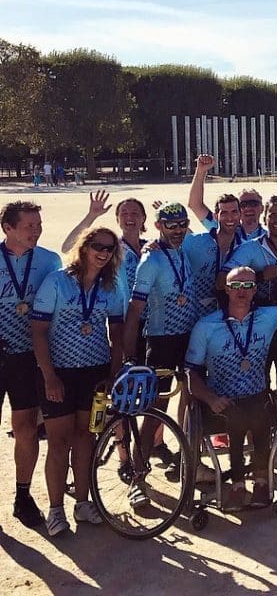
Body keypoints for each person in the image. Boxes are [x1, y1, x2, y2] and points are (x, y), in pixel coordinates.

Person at [31, 227, 125, 535]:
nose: (103, 252)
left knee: (86, 439)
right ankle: (56, 510)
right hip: (60, 373)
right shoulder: (57, 281)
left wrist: (113, 372)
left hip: (95, 374)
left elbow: (118, 332)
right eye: (97, 246)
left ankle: (83, 504)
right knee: (58, 442)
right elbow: (38, 332)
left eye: (109, 249)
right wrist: (49, 376)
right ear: (84, 247)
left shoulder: (110, 285)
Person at [184, 267, 277, 510]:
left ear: (255, 290)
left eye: (248, 286)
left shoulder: (268, 316)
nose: (242, 291)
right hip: (221, 399)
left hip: (257, 395)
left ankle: (260, 481)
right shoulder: (206, 326)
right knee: (237, 415)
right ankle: (237, 484)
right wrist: (209, 398)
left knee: (260, 410)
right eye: (236, 286)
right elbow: (190, 372)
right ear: (226, 289)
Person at [220, 196, 277, 420]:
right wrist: (260, 276)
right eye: (273, 215)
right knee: (256, 388)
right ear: (265, 218)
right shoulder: (250, 249)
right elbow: (221, 280)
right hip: (257, 327)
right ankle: (258, 445)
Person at [1, 201, 63, 528]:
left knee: (25, 428)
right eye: (28, 226)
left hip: (29, 357)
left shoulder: (50, 261)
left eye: (38, 225)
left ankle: (22, 496)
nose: (36, 231)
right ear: (8, 228)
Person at [189, 155, 265, 241]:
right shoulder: (224, 229)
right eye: (243, 205)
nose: (248, 208)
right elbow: (195, 204)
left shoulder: (271, 237)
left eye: (253, 204)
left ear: (262, 208)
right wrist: (201, 171)